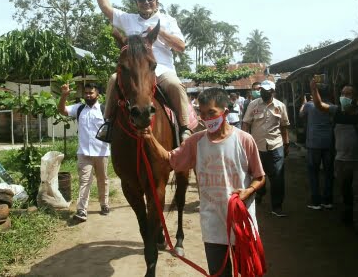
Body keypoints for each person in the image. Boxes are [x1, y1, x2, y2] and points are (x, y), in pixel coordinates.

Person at [140, 88, 266, 277]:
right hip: (212, 223)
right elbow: (169, 158)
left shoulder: (244, 140)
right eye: (202, 113)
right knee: (218, 273)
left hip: (241, 222)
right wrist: (150, 138)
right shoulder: (195, 142)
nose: (207, 118)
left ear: (225, 111)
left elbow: (260, 177)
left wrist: (248, 191)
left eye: (212, 113)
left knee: (247, 271)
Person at [90, 0, 191, 143]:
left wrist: (160, 32)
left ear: (156, 1)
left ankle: (184, 128)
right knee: (113, 79)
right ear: (136, 2)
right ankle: (108, 123)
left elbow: (181, 47)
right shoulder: (128, 19)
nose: (146, 2)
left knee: (176, 85)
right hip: (135, 72)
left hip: (161, 70)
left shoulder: (168, 20)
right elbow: (106, 8)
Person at [310, 79, 358, 239]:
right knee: (345, 192)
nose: (344, 96)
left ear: (356, 97)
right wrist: (313, 87)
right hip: (341, 161)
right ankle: (348, 215)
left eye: (348, 94)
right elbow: (319, 105)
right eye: (343, 94)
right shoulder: (337, 111)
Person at [58, 83, 110, 222]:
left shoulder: (104, 109)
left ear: (97, 94)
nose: (87, 95)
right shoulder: (79, 108)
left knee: (102, 180)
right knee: (84, 181)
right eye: (86, 93)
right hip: (84, 153)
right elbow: (62, 110)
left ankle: (104, 204)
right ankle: (81, 210)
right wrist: (64, 95)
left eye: (90, 93)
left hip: (101, 152)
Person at [242, 80, 290, 217]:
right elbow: (246, 124)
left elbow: (284, 126)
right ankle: (259, 194)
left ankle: (277, 206)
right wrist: (244, 142)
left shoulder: (280, 106)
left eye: (266, 91)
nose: (263, 93)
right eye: (262, 90)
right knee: (258, 174)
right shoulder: (253, 105)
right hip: (257, 146)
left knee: (278, 177)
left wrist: (286, 144)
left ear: (272, 92)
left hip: (276, 146)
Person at [299, 85, 334, 210]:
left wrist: (303, 103)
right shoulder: (331, 106)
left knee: (313, 172)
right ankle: (328, 200)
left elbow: (301, 115)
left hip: (314, 143)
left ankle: (316, 202)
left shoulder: (309, 105)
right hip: (329, 142)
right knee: (329, 172)